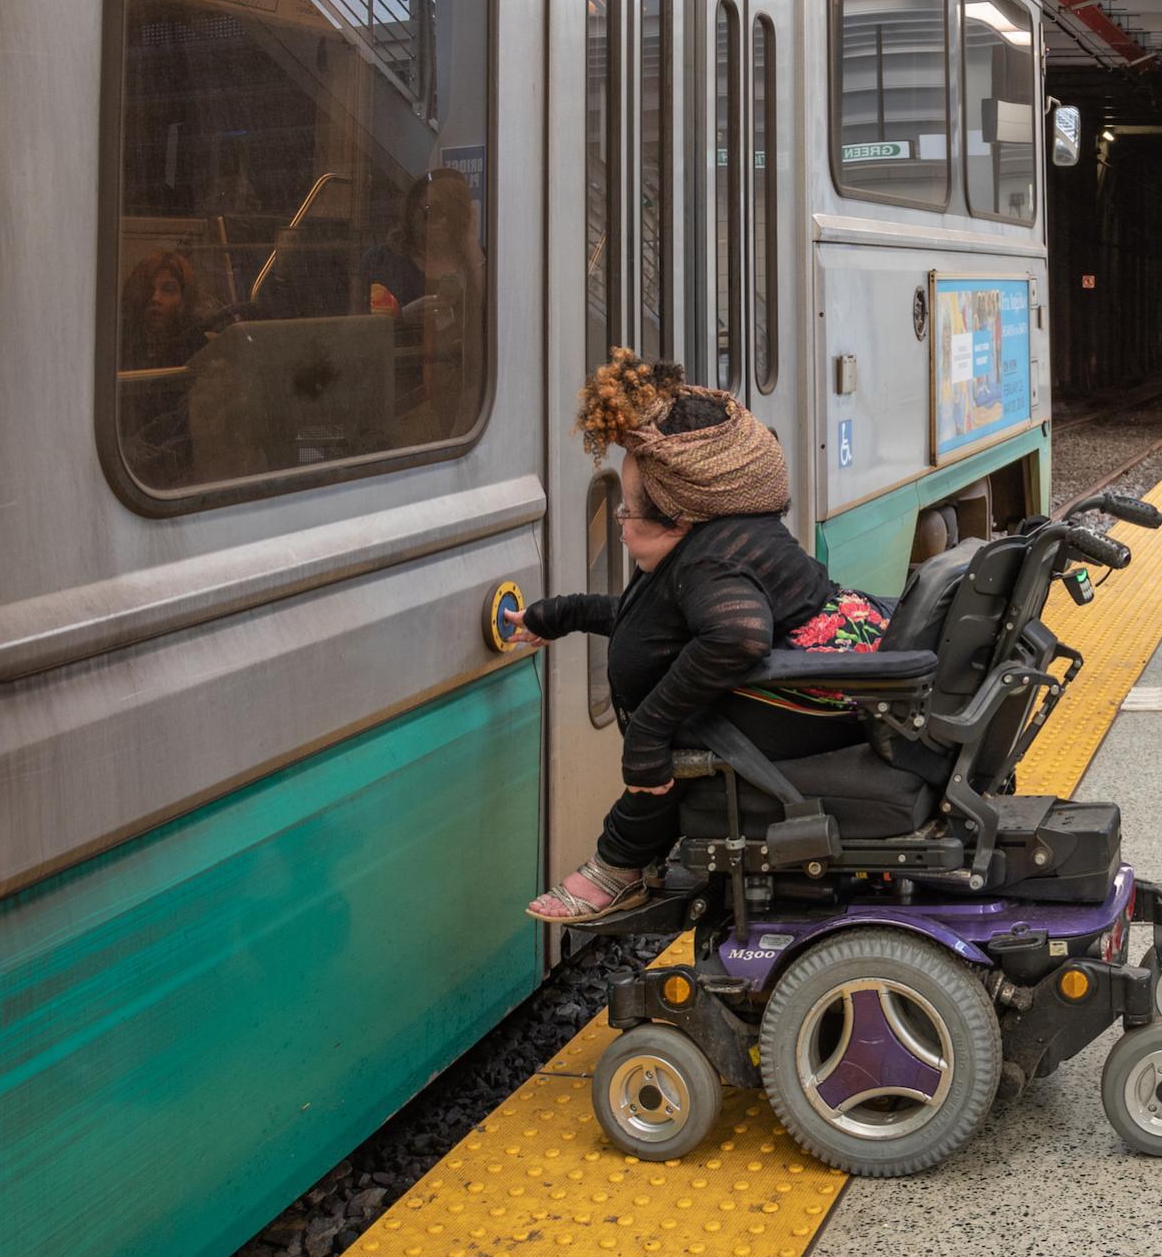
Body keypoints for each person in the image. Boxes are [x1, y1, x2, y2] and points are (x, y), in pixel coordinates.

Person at [504, 353, 892, 923]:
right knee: (677, 707)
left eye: (628, 511)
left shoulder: (709, 566)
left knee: (680, 729)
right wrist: (558, 615)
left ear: (679, 515)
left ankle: (620, 867)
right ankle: (622, 864)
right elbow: (659, 625)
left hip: (813, 696)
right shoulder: (732, 536)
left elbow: (737, 637)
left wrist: (652, 728)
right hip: (837, 676)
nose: (619, 523)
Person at [362, 167, 487, 440]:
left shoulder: (477, 262)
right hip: (403, 397)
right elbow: (359, 329)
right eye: (431, 211)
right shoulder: (384, 261)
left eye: (451, 214)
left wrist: (470, 244)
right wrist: (402, 317)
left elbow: (492, 319)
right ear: (412, 213)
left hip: (465, 400)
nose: (441, 223)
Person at [119, 249, 208, 370]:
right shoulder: (119, 344)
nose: (155, 298)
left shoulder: (200, 348)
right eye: (148, 289)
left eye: (168, 290)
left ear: (185, 298)